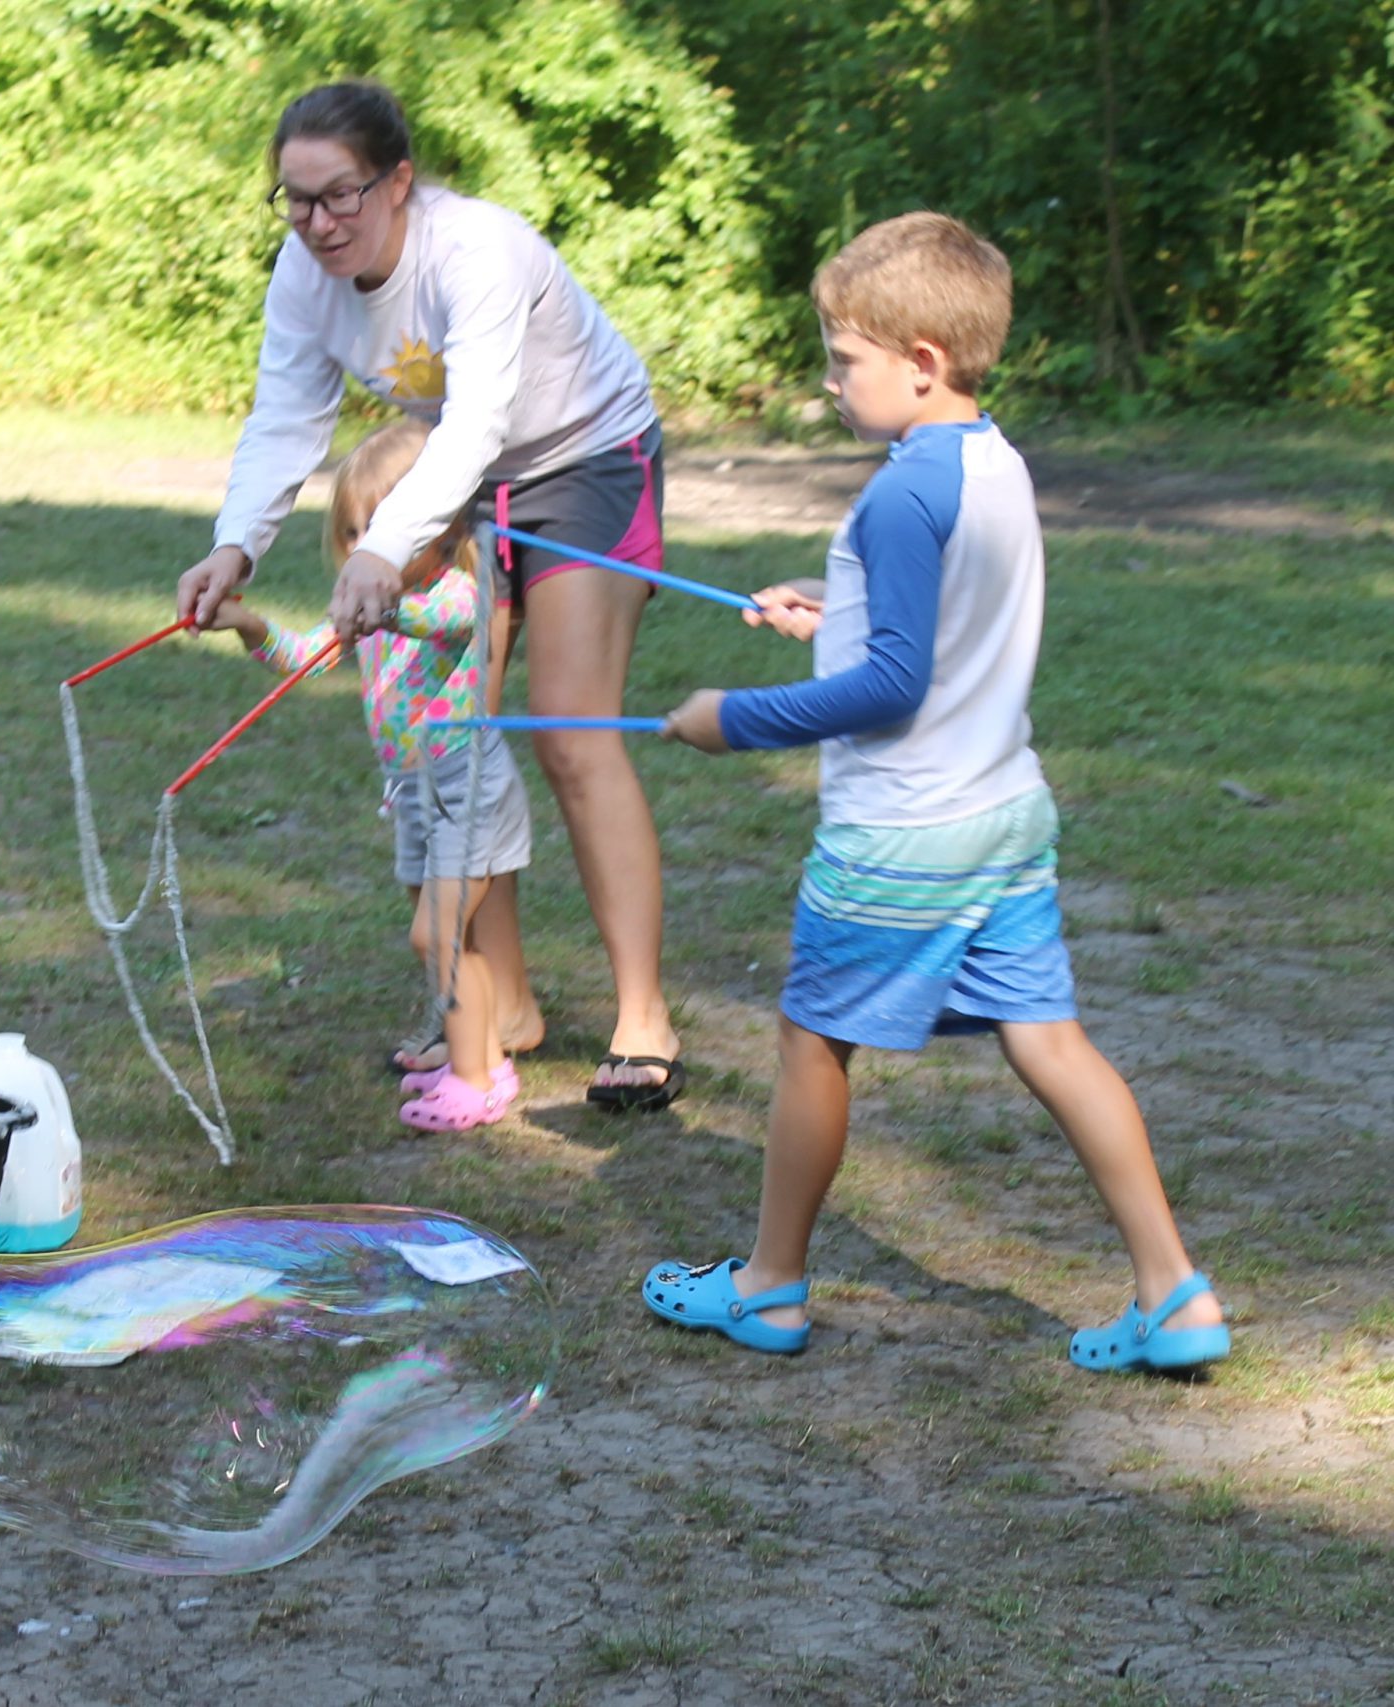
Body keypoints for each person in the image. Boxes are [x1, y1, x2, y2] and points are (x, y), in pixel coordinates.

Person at [643, 213, 1228, 1371]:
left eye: (845, 357)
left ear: (922, 361)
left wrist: (733, 721)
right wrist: (832, 609)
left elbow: (894, 685)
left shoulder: (903, 493)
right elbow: (931, 623)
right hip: (1004, 815)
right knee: (1049, 1040)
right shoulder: (990, 460)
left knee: (811, 1041)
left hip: (902, 835)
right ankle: (1176, 1295)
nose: (828, 378)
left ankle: (766, 1288)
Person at [176, 79, 683, 1111]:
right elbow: (284, 417)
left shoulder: (476, 250)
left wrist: (388, 546)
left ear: (399, 180)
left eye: (340, 195)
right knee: (462, 733)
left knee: (570, 732)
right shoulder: (304, 274)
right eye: (296, 199)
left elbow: (480, 418)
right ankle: (507, 1010)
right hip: (462, 481)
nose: (318, 222)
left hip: (584, 458)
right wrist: (237, 547)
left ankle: (643, 1018)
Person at [206, 419, 535, 1132]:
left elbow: (430, 620)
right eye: (354, 535)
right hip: (415, 793)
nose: (362, 552)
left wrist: (381, 605)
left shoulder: (454, 593)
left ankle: (481, 1078)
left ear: (440, 531)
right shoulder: (379, 609)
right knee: (451, 937)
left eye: (381, 532)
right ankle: (470, 1051)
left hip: (465, 786)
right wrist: (252, 627)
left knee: (437, 934)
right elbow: (306, 656)